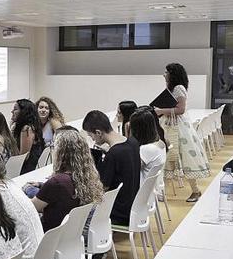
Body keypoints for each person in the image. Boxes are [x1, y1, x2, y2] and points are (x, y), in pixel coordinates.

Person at [153, 63, 210, 202]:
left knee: (183, 158)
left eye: (166, 72)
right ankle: (163, 192)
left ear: (173, 74)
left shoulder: (179, 88)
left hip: (178, 128)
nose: (164, 75)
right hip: (170, 125)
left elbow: (181, 109)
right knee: (168, 158)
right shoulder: (172, 88)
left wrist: (160, 111)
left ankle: (196, 191)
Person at [30, 127, 104, 230]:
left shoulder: (57, 182)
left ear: (61, 153)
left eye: (53, 147)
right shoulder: (87, 176)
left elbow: (30, 209)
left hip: (49, 238)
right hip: (72, 236)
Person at [82, 111, 141, 226]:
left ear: (98, 132)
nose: (92, 139)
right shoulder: (132, 142)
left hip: (118, 212)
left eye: (91, 136)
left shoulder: (113, 154)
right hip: (133, 205)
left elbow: (102, 187)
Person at [129, 108, 167, 199]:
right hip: (153, 191)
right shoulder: (160, 143)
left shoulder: (146, 149)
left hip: (143, 195)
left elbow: (132, 169)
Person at [12, 99, 45, 175]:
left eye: (15, 109)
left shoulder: (27, 129)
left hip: (27, 169)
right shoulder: (31, 126)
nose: (12, 112)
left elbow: (24, 157)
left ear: (24, 112)